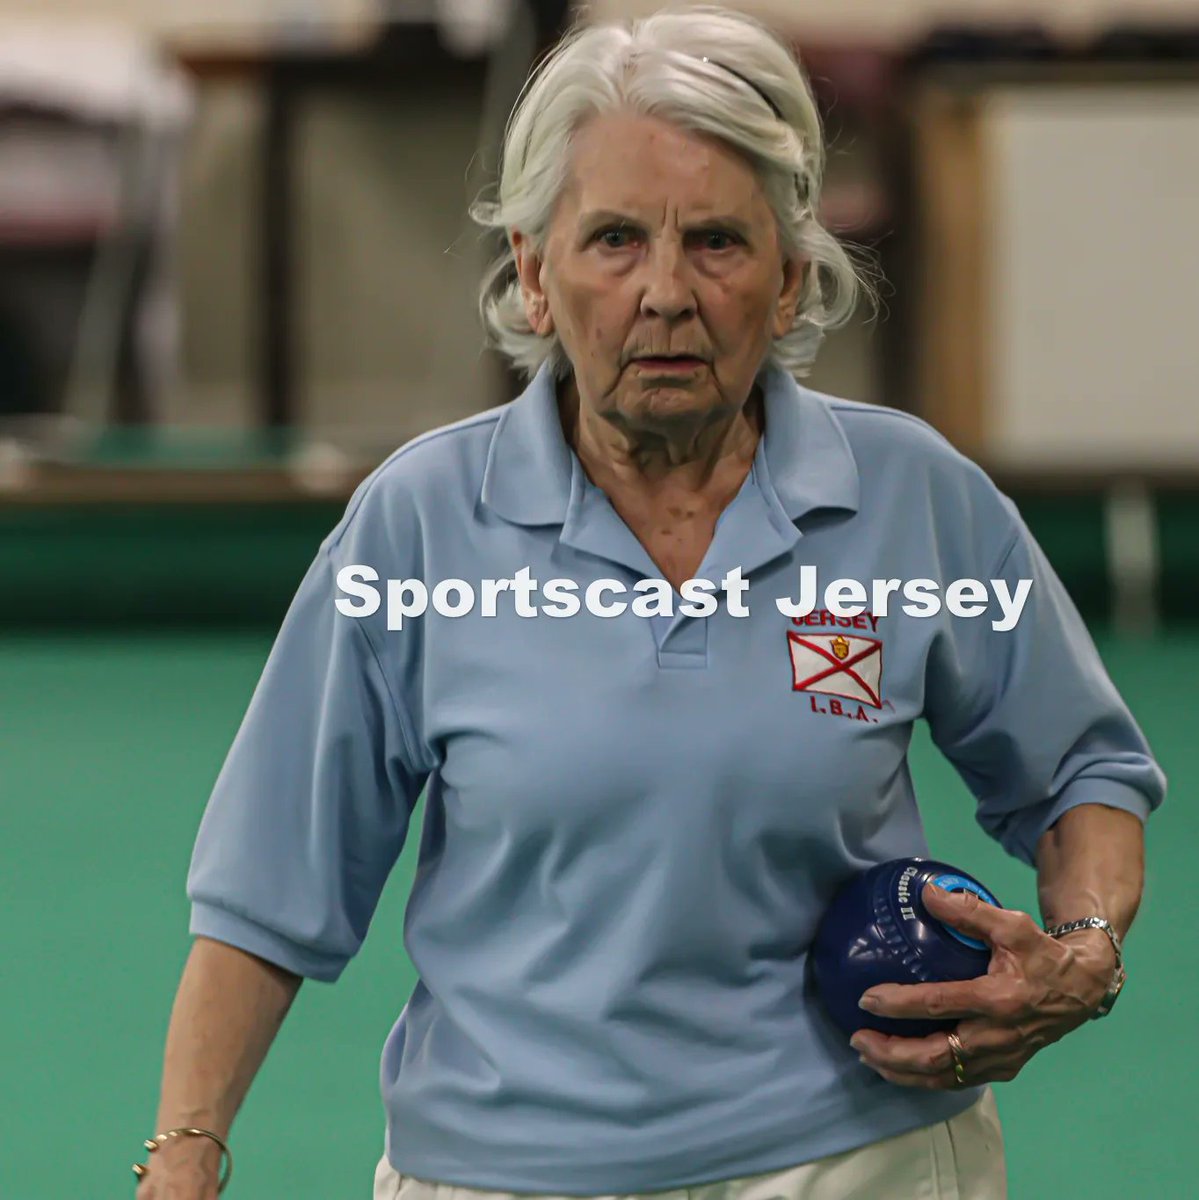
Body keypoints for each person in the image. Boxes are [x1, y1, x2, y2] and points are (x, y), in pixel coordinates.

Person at [132, 6, 1165, 1199]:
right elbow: (269, 884)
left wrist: (1081, 950)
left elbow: (1080, 772)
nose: (663, 293)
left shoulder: (913, 499)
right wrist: (184, 1154)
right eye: (613, 240)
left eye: (718, 243)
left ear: (788, 282)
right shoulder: (413, 524)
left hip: (854, 1159)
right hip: (500, 1170)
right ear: (531, 275)